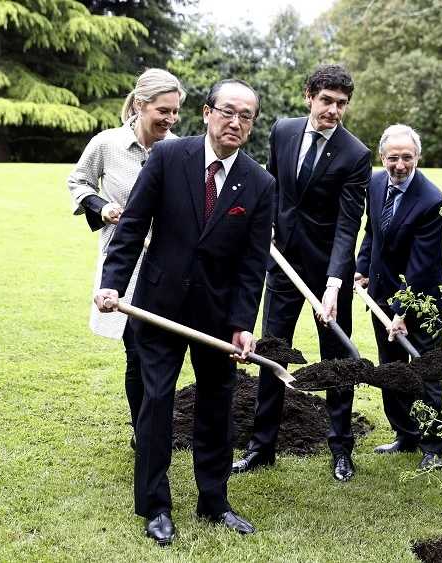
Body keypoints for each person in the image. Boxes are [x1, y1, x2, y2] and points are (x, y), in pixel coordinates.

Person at [92, 79, 273, 546]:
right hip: (158, 307)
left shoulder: (259, 183)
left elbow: (254, 265)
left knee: (217, 407)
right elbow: (132, 226)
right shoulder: (170, 158)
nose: (235, 122)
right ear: (209, 112)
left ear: (252, 125)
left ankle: (214, 501)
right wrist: (111, 283)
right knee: (156, 403)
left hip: (217, 317)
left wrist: (242, 325)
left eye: (246, 116)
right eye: (227, 112)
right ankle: (155, 506)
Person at [232, 64, 372, 482]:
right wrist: (268, 226)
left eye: (341, 104)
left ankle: (340, 449)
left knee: (337, 361)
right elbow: (273, 185)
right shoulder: (283, 130)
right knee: (272, 352)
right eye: (326, 101)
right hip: (282, 266)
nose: (333, 111)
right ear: (309, 96)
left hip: (328, 273)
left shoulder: (355, 154)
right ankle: (261, 447)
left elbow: (349, 225)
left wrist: (333, 285)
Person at [67, 68, 185, 447]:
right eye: (162, 110)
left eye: (175, 112)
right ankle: (144, 432)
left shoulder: (180, 150)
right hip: (125, 265)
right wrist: (101, 208)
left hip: (166, 264)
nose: (169, 119)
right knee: (136, 352)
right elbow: (78, 181)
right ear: (139, 104)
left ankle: (153, 424)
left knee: (162, 353)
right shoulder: (107, 144)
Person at [354, 124, 442, 470]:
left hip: (423, 302)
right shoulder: (376, 183)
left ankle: (433, 445)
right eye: (393, 158)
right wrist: (361, 267)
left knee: (425, 369)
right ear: (382, 157)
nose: (400, 165)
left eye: (407, 157)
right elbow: (372, 232)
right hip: (382, 295)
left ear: (417, 157)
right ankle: (405, 434)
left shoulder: (432, 201)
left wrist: (402, 311)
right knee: (391, 368)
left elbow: (421, 267)